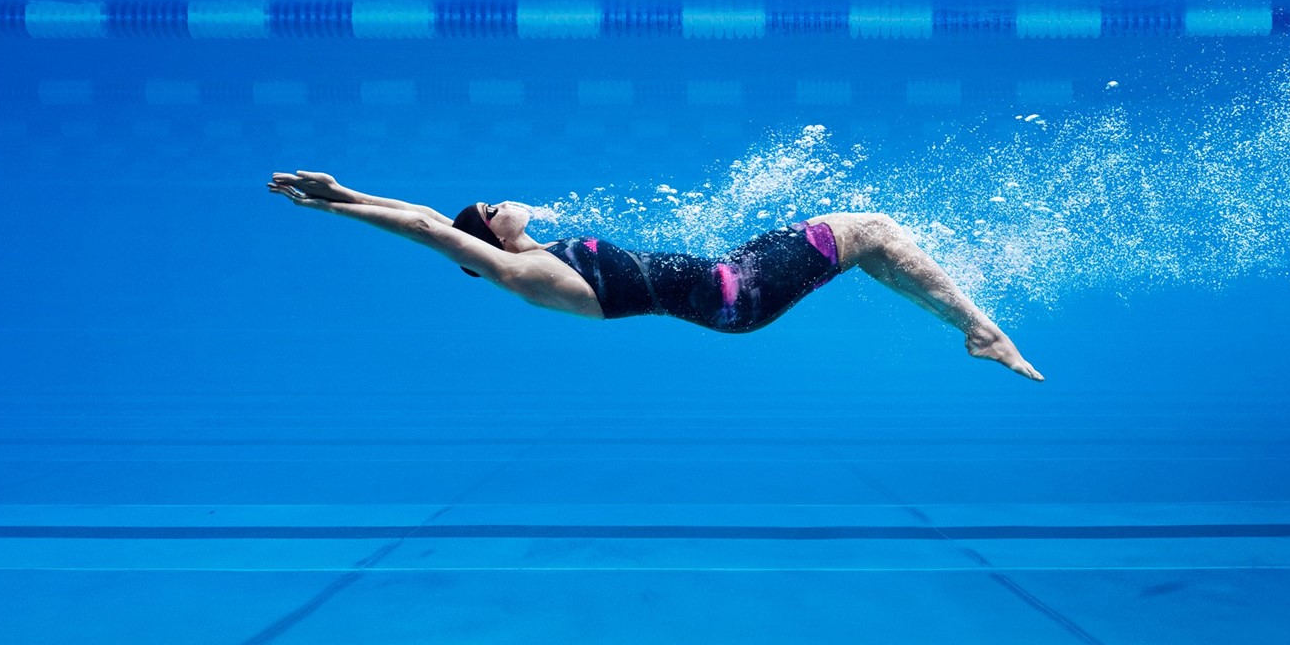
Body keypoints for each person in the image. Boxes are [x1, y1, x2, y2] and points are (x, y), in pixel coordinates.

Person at [267, 170, 1042, 380]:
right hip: (737, 298)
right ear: (486, 243)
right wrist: (334, 210)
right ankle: (978, 330)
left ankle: (970, 325)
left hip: (732, 275)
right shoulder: (517, 273)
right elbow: (429, 230)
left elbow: (427, 213)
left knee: (870, 237)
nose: (498, 201)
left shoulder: (532, 254)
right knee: (872, 230)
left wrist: (347, 189)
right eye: (490, 208)